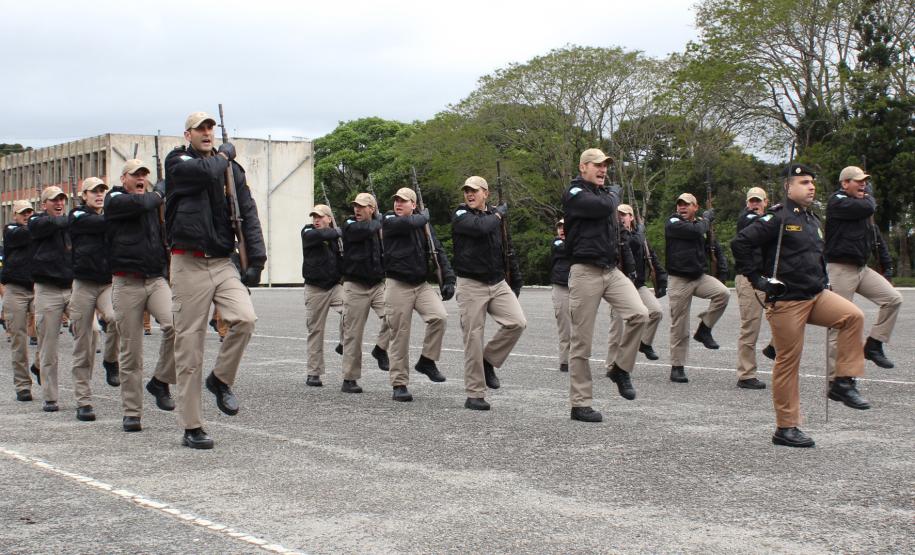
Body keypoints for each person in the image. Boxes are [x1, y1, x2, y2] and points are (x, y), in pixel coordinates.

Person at [732, 163, 870, 447]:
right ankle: (786, 428)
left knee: (852, 316)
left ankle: (842, 382)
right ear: (789, 187)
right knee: (788, 364)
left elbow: (816, 256)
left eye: (812, 182)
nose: (811, 187)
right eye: (804, 182)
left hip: (815, 295)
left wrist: (824, 281)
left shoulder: (812, 220)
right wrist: (758, 279)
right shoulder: (776, 218)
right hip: (787, 301)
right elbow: (741, 243)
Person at [165, 111, 266, 449]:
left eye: (210, 127)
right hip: (188, 263)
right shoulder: (178, 161)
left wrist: (258, 259)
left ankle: (220, 379)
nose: (207, 132)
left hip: (222, 261)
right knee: (189, 349)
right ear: (188, 134)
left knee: (245, 319)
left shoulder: (231, 170)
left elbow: (247, 213)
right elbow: (203, 172)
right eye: (200, 129)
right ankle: (192, 426)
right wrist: (224, 155)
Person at [562, 149, 649, 423]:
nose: (603, 170)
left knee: (640, 314)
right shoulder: (575, 193)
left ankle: (620, 368)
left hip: (611, 270)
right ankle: (580, 403)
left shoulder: (603, 195)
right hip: (585, 272)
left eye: (605, 166)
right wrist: (614, 196)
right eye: (597, 165)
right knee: (582, 342)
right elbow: (601, 207)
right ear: (583, 166)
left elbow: (616, 228)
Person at [105, 160, 177, 432]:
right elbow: (142, 204)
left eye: (145, 175)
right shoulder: (115, 199)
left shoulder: (151, 202)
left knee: (176, 326)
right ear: (123, 178)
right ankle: (132, 411)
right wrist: (159, 192)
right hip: (126, 282)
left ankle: (160, 380)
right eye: (136, 175)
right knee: (131, 351)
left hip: (155, 279)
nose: (141, 179)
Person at [451, 176, 526, 410]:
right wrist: (499, 215)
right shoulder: (461, 215)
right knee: (473, 338)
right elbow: (481, 228)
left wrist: (516, 277)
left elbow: (507, 246)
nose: (469, 195)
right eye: (466, 191)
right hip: (471, 284)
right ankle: (475, 394)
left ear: (486, 193)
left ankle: (488, 359)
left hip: (497, 281)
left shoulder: (495, 216)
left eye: (474, 191)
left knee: (517, 322)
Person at [825, 166, 902, 374]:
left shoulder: (861, 207)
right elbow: (869, 206)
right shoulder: (837, 201)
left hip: (861, 268)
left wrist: (887, 270)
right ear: (844, 183)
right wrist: (868, 197)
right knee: (839, 323)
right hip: (840, 269)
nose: (863, 184)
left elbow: (876, 240)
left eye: (865, 181)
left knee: (893, 299)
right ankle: (836, 379)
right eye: (858, 181)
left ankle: (874, 344)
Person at [382, 187, 455, 402]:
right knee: (400, 335)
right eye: (396, 200)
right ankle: (399, 383)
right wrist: (422, 218)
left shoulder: (424, 225)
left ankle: (427, 360)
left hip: (421, 284)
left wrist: (449, 279)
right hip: (397, 284)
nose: (398, 204)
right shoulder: (389, 220)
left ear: (414, 205)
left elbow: (438, 251)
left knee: (439, 317)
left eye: (403, 201)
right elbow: (407, 223)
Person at [68, 177, 120, 422]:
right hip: (83, 284)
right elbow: (101, 224)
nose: (99, 195)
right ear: (84, 195)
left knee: (115, 318)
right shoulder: (78, 216)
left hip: (107, 283)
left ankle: (110, 360)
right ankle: (84, 401)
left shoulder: (109, 214)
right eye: (94, 192)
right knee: (84, 344)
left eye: (102, 191)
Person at [664, 192, 729, 383]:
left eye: (686, 204)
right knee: (680, 326)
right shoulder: (673, 222)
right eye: (680, 204)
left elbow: (714, 247)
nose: (682, 207)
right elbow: (694, 231)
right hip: (678, 280)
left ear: (695, 207)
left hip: (699, 277)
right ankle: (677, 367)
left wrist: (722, 269)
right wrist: (707, 220)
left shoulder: (701, 224)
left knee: (723, 294)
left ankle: (704, 329)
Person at [605, 203, 666, 374]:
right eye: (618, 215)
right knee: (616, 328)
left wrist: (661, 279)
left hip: (637, 284)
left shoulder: (641, 238)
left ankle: (644, 343)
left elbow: (652, 258)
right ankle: (611, 364)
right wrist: (639, 233)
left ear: (631, 217)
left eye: (624, 214)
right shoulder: (615, 236)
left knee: (656, 311)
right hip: (617, 286)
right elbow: (631, 242)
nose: (620, 217)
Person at [340, 193, 391, 393]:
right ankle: (349, 378)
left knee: (393, 317)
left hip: (378, 284)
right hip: (355, 286)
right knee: (353, 333)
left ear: (372, 208)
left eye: (362, 206)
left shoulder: (380, 224)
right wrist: (380, 221)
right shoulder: (350, 224)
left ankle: (380, 348)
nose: (357, 210)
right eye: (355, 206)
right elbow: (366, 229)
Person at [29, 186, 73, 412]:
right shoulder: (37, 222)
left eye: (62, 200)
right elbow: (49, 225)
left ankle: (38, 367)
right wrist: (71, 219)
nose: (59, 204)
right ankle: (50, 396)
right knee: (48, 345)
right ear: (43, 204)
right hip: (47, 290)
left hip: (71, 287)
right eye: (54, 200)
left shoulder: (67, 222)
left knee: (93, 331)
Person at [732, 187, 772, 390]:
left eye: (758, 201)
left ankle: (773, 347)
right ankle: (746, 374)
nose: (754, 204)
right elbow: (758, 224)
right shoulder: (747, 218)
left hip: (768, 278)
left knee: (787, 314)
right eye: (751, 201)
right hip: (748, 279)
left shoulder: (769, 220)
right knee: (751, 326)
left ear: (766, 201)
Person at [301, 204, 344, 388]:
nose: (316, 220)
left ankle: (343, 343)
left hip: (334, 286)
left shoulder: (336, 236)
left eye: (320, 217)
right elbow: (323, 235)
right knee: (315, 330)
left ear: (329, 218)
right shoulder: (308, 231)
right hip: (315, 288)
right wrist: (341, 230)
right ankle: (314, 373)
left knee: (351, 312)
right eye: (314, 217)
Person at [2, 200, 37, 402]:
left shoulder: (36, 229)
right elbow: (23, 236)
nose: (27, 215)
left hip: (37, 287)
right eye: (23, 213)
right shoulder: (11, 230)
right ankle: (23, 385)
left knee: (47, 330)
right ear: (14, 215)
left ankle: (39, 365)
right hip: (15, 289)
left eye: (30, 212)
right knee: (18, 341)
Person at [549, 219, 571, 373]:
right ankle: (564, 361)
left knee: (581, 328)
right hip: (561, 287)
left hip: (578, 288)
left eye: (565, 227)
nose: (561, 230)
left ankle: (578, 359)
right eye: (559, 227)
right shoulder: (557, 243)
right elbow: (566, 250)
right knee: (565, 328)